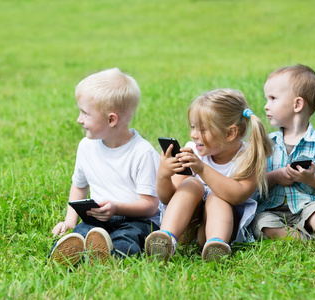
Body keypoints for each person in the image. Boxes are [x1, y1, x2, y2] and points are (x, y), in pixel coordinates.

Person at [48, 68, 161, 266]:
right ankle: (71, 254)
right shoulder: (86, 146)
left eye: (85, 113)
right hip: (98, 218)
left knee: (127, 239)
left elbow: (150, 206)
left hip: (137, 219)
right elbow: (79, 185)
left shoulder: (143, 153)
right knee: (82, 234)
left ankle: (108, 257)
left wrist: (117, 208)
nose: (79, 119)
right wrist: (70, 222)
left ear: (111, 119)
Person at [145, 88, 273, 262]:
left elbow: (237, 195)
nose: (193, 134)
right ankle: (166, 238)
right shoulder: (194, 152)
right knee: (191, 184)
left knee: (218, 196)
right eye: (193, 127)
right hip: (187, 231)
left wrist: (202, 169)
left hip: (224, 229)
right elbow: (168, 198)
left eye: (202, 129)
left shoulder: (248, 157)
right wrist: (164, 175)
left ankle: (216, 246)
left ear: (230, 133)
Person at [251, 64, 315, 251]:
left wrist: (311, 179)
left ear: (297, 104)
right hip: (272, 209)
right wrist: (275, 177)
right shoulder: (266, 143)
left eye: (272, 98)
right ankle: (309, 239)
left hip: (307, 203)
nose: (266, 105)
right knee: (261, 223)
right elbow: (254, 181)